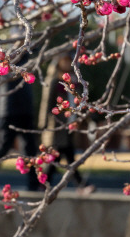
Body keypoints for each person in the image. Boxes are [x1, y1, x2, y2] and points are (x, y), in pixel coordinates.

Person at [38, 52, 95, 194]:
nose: (65, 64)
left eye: (68, 61)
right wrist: (44, 124)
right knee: (64, 157)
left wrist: (87, 119)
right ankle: (80, 185)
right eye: (63, 61)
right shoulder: (54, 82)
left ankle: (44, 184)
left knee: (58, 158)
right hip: (58, 127)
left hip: (71, 125)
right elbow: (47, 104)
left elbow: (81, 102)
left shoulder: (75, 81)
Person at [0, 52, 40, 191]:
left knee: (30, 149)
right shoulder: (6, 60)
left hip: (25, 111)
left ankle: (33, 184)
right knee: (4, 147)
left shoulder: (28, 58)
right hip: (9, 111)